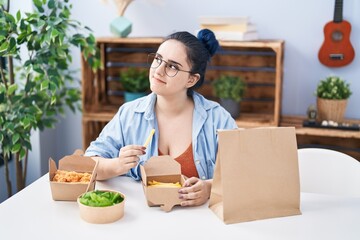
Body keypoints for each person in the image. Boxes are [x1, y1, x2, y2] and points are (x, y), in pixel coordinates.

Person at [84, 29, 238, 206]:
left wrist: (210, 188)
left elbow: (243, 172)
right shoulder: (129, 114)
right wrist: (117, 164)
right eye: (158, 59)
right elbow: (90, 164)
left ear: (191, 80)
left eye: (172, 66)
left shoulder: (218, 119)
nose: (158, 70)